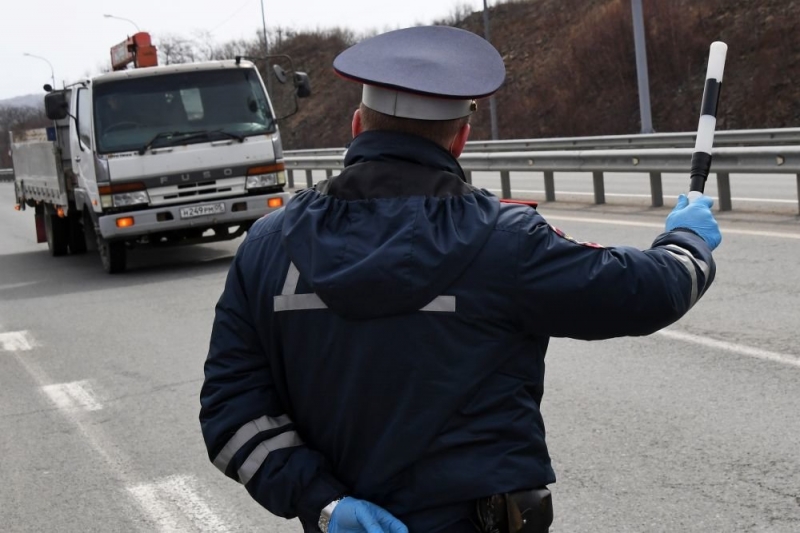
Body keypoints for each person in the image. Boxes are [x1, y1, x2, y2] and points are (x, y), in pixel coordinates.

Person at [199, 25, 720, 533]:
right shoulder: (506, 240)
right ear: (462, 138)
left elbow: (232, 412)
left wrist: (325, 505)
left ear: (357, 127)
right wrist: (686, 241)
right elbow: (647, 291)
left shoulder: (267, 246)